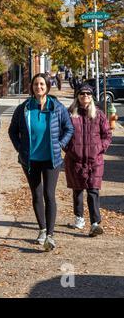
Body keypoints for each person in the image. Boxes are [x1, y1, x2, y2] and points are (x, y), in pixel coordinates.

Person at [8, 73, 74, 251]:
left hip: (51, 159)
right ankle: (42, 229)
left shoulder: (57, 107)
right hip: (30, 160)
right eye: (36, 84)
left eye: (42, 84)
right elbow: (12, 131)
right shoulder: (24, 108)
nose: (39, 87)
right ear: (32, 87)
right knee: (36, 195)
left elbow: (69, 128)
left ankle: (51, 235)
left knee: (49, 194)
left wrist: (60, 144)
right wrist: (20, 149)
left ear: (47, 86)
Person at [64, 84, 112, 237]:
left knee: (93, 191)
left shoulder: (98, 114)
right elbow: (61, 133)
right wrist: (70, 149)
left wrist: (100, 148)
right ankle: (79, 218)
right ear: (77, 96)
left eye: (88, 94)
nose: (85, 96)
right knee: (77, 190)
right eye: (82, 93)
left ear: (92, 97)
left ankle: (95, 223)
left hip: (94, 160)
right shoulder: (70, 114)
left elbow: (107, 135)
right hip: (74, 159)